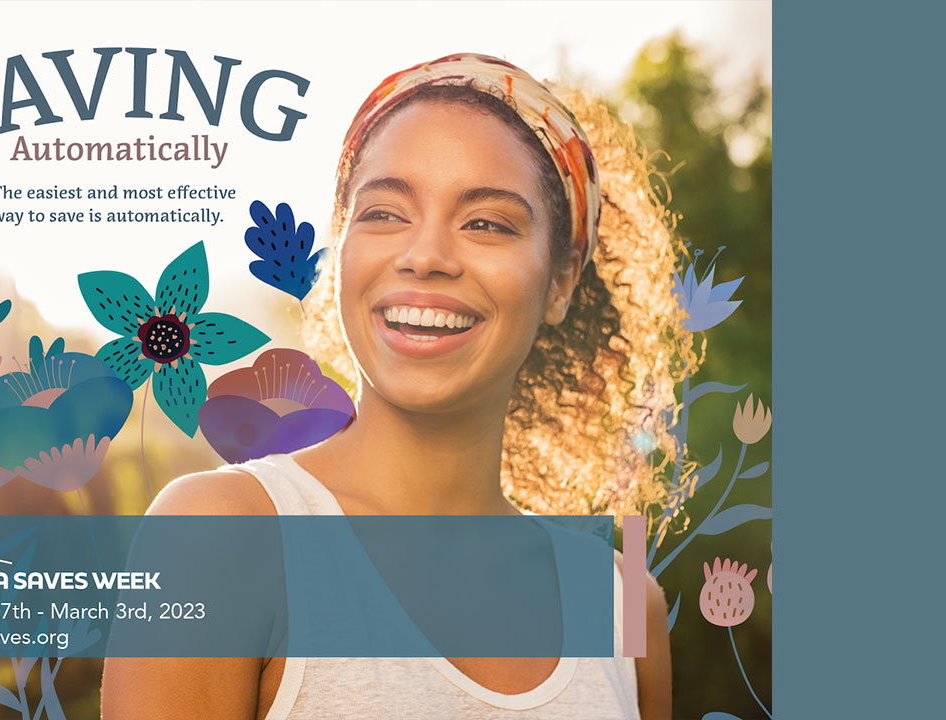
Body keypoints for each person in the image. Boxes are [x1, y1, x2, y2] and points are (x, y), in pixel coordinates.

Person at [103, 52, 683, 720]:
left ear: (560, 281)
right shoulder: (221, 535)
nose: (426, 255)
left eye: (486, 223)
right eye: (384, 213)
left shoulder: (623, 603)